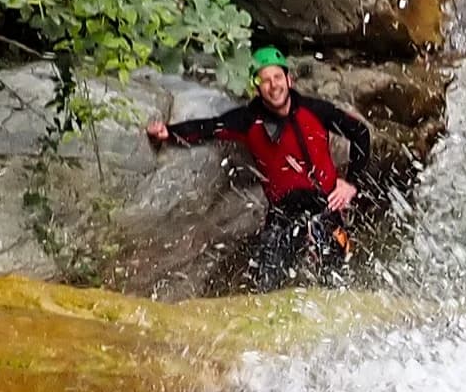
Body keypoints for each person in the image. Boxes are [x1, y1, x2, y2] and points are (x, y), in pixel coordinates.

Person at [145, 45, 375, 289]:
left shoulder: (315, 111)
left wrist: (351, 183)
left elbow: (360, 133)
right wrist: (168, 133)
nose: (273, 85)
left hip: (326, 208)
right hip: (282, 214)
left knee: (335, 284)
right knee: (268, 286)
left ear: (289, 79)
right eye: (265, 80)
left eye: (277, 77)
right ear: (257, 87)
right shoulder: (248, 120)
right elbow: (209, 128)